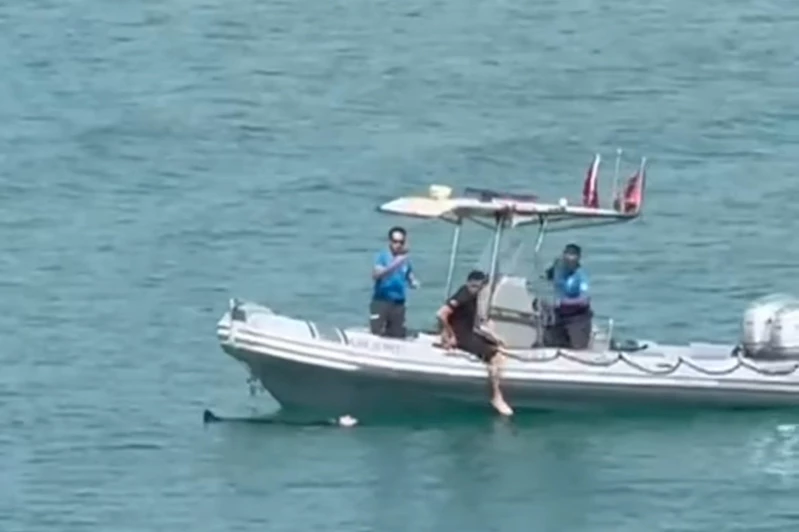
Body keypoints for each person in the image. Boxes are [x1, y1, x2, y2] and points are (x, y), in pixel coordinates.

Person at [436, 270, 513, 416]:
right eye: (473, 286)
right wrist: (450, 335)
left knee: (498, 344)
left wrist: (493, 337)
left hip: (467, 332)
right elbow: (441, 314)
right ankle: (496, 397)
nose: (475, 289)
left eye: (478, 287)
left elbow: (474, 324)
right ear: (468, 284)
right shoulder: (464, 295)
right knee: (495, 357)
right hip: (462, 337)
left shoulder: (470, 294)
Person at [370, 226, 419, 338]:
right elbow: (376, 275)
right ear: (390, 241)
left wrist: (413, 282)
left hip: (398, 303)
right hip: (382, 301)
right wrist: (395, 264)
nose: (398, 245)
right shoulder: (382, 256)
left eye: (401, 242)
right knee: (376, 332)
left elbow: (409, 275)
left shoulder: (405, 260)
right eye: (395, 241)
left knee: (396, 334)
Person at [545, 243, 593, 349]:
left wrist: (564, 302)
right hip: (559, 315)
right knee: (552, 344)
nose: (569, 258)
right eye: (567, 254)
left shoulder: (581, 275)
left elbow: (585, 300)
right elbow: (546, 277)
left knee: (577, 348)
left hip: (578, 317)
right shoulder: (558, 268)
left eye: (573, 255)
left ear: (578, 258)